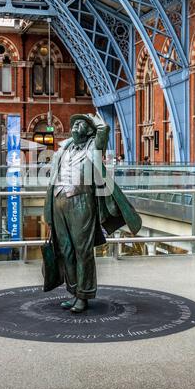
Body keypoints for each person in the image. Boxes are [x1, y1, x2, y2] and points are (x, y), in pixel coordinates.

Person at [44, 112, 142, 313]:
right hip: (58, 202)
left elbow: (103, 130)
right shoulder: (64, 149)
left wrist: (94, 120)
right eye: (74, 123)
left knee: (83, 251)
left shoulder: (93, 148)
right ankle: (73, 292)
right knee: (66, 250)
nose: (75, 126)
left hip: (81, 202)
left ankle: (84, 295)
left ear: (89, 131)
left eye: (81, 124)